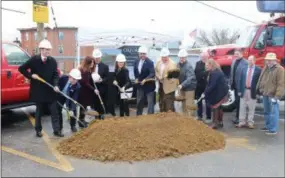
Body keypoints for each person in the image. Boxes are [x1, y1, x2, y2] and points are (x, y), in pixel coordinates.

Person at [18, 39, 63, 137]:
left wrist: (55, 85)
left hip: (50, 91)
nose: (48, 51)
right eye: (46, 49)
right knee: (39, 111)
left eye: (49, 50)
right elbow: (21, 68)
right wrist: (30, 76)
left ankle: (57, 130)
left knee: (54, 111)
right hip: (39, 91)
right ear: (41, 50)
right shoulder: (34, 60)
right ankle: (38, 130)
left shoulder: (52, 61)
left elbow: (55, 74)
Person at [256, 53, 285, 135]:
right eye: (267, 60)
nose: (268, 61)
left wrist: (277, 97)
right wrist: (259, 89)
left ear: (274, 60)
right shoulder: (266, 68)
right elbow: (261, 79)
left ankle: (273, 129)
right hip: (265, 93)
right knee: (266, 112)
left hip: (273, 95)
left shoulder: (280, 69)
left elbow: (281, 84)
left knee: (273, 113)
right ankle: (268, 126)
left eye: (270, 60)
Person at [236, 55, 261, 129]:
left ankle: (250, 122)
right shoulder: (244, 68)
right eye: (248, 60)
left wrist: (258, 93)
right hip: (244, 90)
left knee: (251, 107)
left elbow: (260, 82)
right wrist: (239, 90)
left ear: (254, 61)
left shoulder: (258, 70)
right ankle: (242, 122)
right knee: (242, 106)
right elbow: (240, 80)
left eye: (251, 60)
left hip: (252, 91)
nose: (249, 62)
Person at [204, 59, 229, 129]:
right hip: (222, 92)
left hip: (221, 92)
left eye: (207, 65)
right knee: (219, 107)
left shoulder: (214, 73)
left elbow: (212, 85)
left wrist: (205, 92)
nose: (206, 67)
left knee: (215, 106)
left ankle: (215, 124)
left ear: (211, 65)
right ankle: (220, 122)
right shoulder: (216, 71)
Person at [57, 68, 81, 133]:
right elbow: (57, 83)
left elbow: (74, 99)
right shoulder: (63, 78)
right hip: (61, 95)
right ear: (70, 77)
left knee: (74, 111)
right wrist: (57, 88)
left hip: (70, 97)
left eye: (77, 80)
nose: (75, 81)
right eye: (74, 79)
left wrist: (72, 109)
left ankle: (73, 125)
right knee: (58, 110)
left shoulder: (77, 86)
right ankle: (59, 126)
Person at [134, 46, 156, 115]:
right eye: (141, 54)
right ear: (139, 54)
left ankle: (150, 116)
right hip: (140, 85)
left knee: (150, 102)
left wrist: (145, 79)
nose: (142, 55)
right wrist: (136, 78)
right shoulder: (136, 61)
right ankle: (139, 115)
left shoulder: (150, 62)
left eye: (144, 54)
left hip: (149, 85)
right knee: (139, 100)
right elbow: (135, 71)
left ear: (146, 54)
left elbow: (152, 73)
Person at [155, 47, 179, 112]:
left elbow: (173, 76)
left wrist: (164, 76)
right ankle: (162, 114)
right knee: (161, 101)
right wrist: (158, 76)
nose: (164, 58)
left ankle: (170, 118)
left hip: (169, 87)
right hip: (161, 85)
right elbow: (156, 70)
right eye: (163, 57)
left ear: (168, 56)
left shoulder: (172, 64)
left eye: (165, 57)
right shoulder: (159, 62)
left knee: (169, 104)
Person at [230, 48, 248, 124]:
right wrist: (230, 83)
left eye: (238, 54)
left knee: (241, 102)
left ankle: (240, 118)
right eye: (235, 54)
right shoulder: (234, 61)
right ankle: (238, 117)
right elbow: (232, 73)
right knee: (237, 102)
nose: (236, 55)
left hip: (241, 86)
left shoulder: (245, 63)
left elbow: (246, 76)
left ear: (242, 54)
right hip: (235, 85)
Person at [177, 48, 197, 117]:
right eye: (180, 58)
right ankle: (185, 120)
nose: (182, 59)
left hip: (189, 88)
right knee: (183, 103)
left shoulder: (189, 66)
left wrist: (182, 85)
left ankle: (190, 120)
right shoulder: (178, 65)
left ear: (186, 57)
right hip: (182, 87)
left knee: (189, 104)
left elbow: (190, 78)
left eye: (183, 57)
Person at [92, 49, 109, 120]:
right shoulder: (91, 66)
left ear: (100, 57)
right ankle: (96, 117)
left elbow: (107, 77)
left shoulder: (105, 66)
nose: (97, 59)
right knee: (94, 104)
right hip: (93, 89)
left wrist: (102, 80)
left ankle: (102, 117)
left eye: (98, 58)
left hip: (102, 89)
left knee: (101, 103)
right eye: (96, 58)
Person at [78, 56, 95, 128]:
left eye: (93, 63)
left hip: (87, 92)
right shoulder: (84, 71)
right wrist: (93, 89)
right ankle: (81, 121)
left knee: (85, 107)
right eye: (91, 63)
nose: (92, 64)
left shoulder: (88, 70)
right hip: (84, 92)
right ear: (87, 63)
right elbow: (85, 82)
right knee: (83, 107)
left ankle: (83, 121)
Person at [194, 52, 212, 122]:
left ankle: (208, 117)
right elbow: (196, 74)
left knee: (208, 102)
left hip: (207, 86)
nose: (204, 58)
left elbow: (210, 73)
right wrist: (204, 73)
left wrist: (201, 74)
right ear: (200, 57)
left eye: (205, 56)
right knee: (199, 102)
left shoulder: (210, 63)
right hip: (199, 86)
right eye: (202, 56)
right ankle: (199, 116)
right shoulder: (198, 63)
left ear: (208, 57)